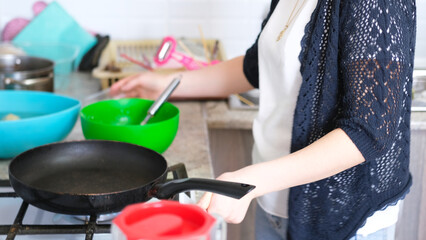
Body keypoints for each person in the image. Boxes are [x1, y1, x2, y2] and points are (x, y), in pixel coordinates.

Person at [110, 0, 416, 239]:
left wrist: (252, 182)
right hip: (271, 201)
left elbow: (369, 131)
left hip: (341, 218)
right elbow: (256, 66)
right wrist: (171, 83)